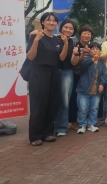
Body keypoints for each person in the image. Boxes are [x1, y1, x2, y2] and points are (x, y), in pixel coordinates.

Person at [26, 12, 68, 146]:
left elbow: (61, 58)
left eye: (54, 21)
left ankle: (48, 133)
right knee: (38, 105)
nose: (52, 23)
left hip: (54, 72)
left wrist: (65, 43)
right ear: (43, 22)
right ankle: (35, 136)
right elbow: (31, 57)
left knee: (52, 103)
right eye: (48, 20)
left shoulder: (57, 40)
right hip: (38, 72)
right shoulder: (36, 36)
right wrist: (37, 40)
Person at [76, 42, 107, 134]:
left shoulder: (101, 63)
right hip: (83, 91)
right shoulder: (85, 60)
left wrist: (102, 84)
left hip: (96, 92)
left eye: (97, 49)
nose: (95, 50)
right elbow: (82, 67)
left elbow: (105, 76)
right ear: (89, 51)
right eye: (93, 49)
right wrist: (92, 60)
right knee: (83, 109)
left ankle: (92, 125)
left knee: (94, 109)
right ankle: (82, 125)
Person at [54, 19, 78, 136]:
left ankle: (61, 127)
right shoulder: (53, 39)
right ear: (61, 27)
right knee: (51, 100)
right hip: (52, 72)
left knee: (64, 101)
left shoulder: (74, 43)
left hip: (67, 73)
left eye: (71, 28)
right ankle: (48, 126)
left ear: (73, 31)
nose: (68, 30)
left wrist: (77, 54)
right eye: (66, 27)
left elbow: (74, 63)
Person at [69, 24, 94, 130]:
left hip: (87, 77)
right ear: (80, 35)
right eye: (84, 33)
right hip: (76, 75)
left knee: (84, 100)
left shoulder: (92, 47)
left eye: (89, 34)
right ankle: (73, 121)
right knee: (74, 98)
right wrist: (83, 52)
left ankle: (83, 120)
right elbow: (75, 63)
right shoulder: (76, 45)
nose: (86, 35)